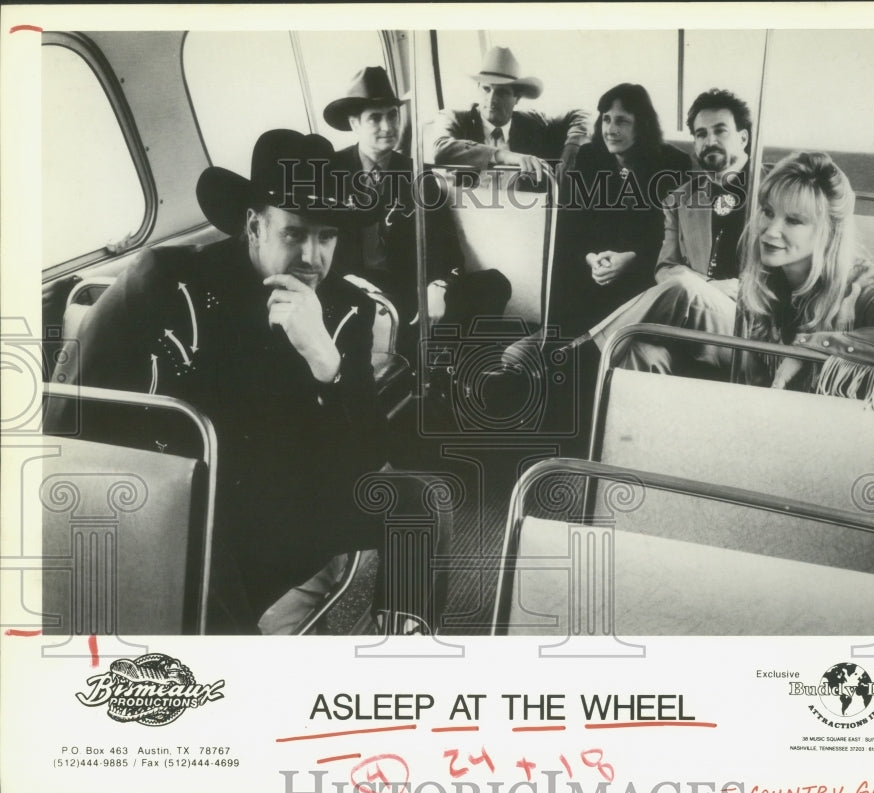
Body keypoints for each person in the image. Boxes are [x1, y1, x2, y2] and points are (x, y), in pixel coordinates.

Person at [46, 129, 390, 634]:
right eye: (294, 233)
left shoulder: (347, 310)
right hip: (181, 499)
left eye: (328, 236)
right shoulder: (165, 280)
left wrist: (324, 357)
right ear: (254, 225)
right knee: (203, 559)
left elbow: (366, 453)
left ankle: (405, 637)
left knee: (421, 503)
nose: (313, 257)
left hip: (295, 498)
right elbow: (75, 402)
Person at [735, 151, 874, 408]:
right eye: (768, 212)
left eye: (793, 220)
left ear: (829, 232)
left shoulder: (865, 284)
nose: (770, 231)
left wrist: (814, 346)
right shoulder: (761, 283)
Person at [325, 67, 510, 355]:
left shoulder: (418, 177)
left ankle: (459, 374)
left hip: (410, 294)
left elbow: (451, 254)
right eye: (375, 118)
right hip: (354, 295)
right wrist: (352, 286)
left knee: (495, 284)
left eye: (392, 115)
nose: (387, 127)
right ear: (354, 124)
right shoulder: (330, 173)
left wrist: (438, 286)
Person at [582, 88, 754, 373]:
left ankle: (584, 354)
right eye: (700, 134)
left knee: (684, 287)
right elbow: (664, 267)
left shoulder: (773, 192)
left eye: (720, 131)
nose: (709, 141)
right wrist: (706, 287)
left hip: (750, 327)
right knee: (637, 352)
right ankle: (591, 381)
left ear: (743, 138)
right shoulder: (680, 198)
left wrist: (708, 287)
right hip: (696, 321)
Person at [549, 83, 692, 338]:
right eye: (606, 120)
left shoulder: (672, 163)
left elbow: (670, 238)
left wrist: (631, 259)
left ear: (642, 125)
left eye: (622, 121)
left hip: (642, 273)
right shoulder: (589, 156)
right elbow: (571, 225)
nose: (610, 130)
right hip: (592, 269)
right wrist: (590, 258)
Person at [427, 46, 590, 182]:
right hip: (465, 214)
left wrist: (572, 146)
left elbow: (580, 114)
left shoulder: (532, 122)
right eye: (486, 89)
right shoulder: (454, 118)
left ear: (517, 98)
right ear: (478, 88)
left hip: (522, 215)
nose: (491, 99)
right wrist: (506, 156)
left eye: (502, 93)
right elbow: (442, 149)